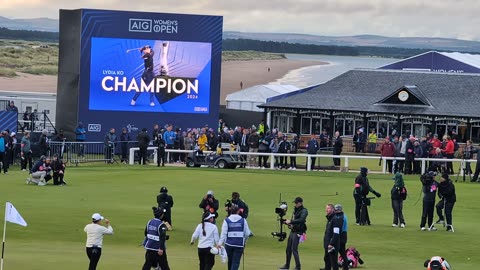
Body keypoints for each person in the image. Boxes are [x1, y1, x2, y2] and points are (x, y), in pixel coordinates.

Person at [217, 205, 251, 270]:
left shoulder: (226, 220)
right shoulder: (243, 220)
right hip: (239, 244)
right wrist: (245, 241)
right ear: (238, 211)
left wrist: (219, 243)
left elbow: (223, 233)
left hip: (229, 244)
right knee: (235, 262)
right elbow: (247, 233)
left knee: (230, 261)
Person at [279, 197, 308, 270]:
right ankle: (287, 265)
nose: (295, 204)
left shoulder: (304, 211)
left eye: (296, 203)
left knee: (294, 249)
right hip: (293, 231)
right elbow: (293, 221)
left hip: (298, 232)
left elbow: (301, 220)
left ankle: (298, 267)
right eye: (295, 203)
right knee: (288, 249)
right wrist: (286, 222)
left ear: (300, 203)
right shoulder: (295, 210)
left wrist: (291, 222)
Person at [320, 203, 343, 270]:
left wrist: (331, 244)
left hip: (332, 245)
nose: (326, 210)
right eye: (326, 208)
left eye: (328, 208)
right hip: (328, 244)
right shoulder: (330, 219)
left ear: (333, 209)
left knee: (333, 262)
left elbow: (336, 233)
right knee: (327, 260)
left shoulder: (335, 219)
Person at [335, 204, 349, 270]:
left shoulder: (341, 217)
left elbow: (339, 228)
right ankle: (345, 267)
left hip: (341, 235)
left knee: (340, 252)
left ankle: (344, 267)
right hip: (343, 235)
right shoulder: (343, 216)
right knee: (342, 252)